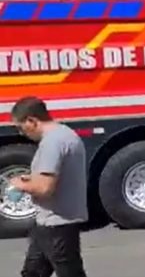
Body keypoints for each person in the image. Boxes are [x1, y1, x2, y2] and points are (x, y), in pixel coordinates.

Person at [9, 96, 88, 277]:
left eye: (21, 127)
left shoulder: (52, 143)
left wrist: (19, 184)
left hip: (57, 223)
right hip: (48, 222)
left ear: (32, 120)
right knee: (33, 272)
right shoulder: (65, 134)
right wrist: (31, 179)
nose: (22, 133)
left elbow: (45, 188)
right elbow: (56, 176)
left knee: (70, 273)